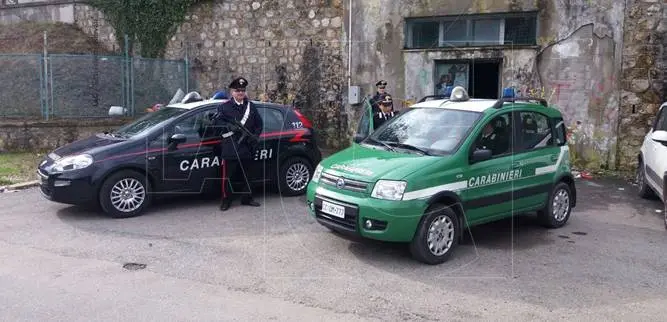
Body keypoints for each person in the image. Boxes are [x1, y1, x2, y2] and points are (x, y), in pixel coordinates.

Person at [211, 77, 263, 211]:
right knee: (228, 177)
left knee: (248, 175)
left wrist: (255, 137)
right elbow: (216, 124)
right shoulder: (224, 107)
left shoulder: (251, 106)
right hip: (231, 146)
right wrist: (229, 127)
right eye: (237, 90)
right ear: (232, 92)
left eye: (242, 90)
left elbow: (259, 124)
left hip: (247, 147)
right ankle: (226, 200)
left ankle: (247, 198)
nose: (240, 93)